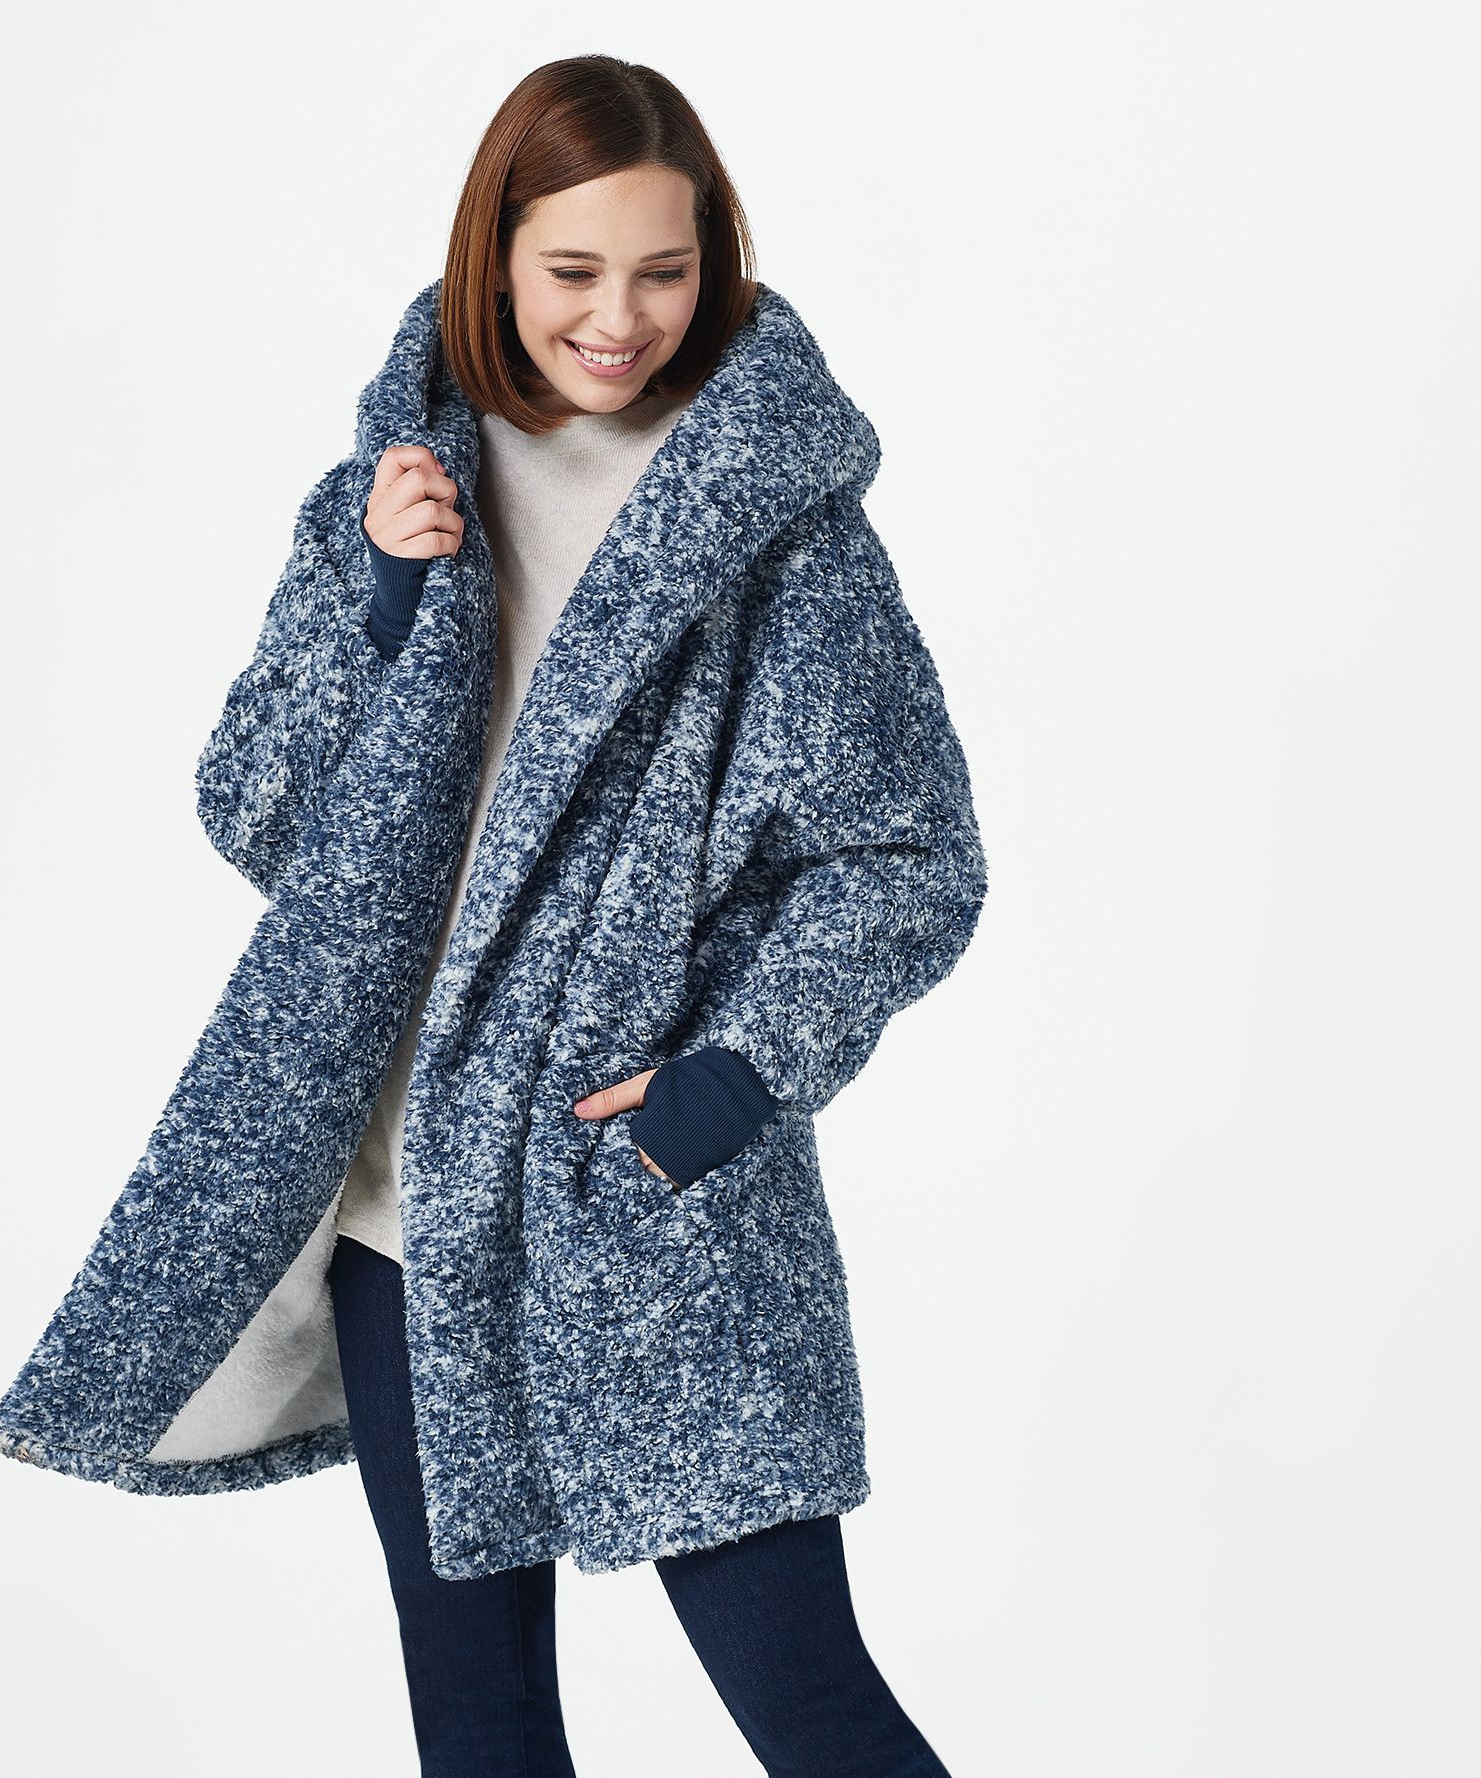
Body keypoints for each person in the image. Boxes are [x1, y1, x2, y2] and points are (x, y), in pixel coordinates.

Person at [324, 55, 964, 1778]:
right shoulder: (402, 482)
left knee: (809, 1705)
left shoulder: (775, 523)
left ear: (715, 264)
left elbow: (911, 852)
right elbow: (260, 810)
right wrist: (384, 605)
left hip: (649, 1192)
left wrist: (729, 1081)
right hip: (409, 1201)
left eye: (664, 272)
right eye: (573, 271)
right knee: (479, 1723)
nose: (618, 319)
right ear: (494, 257)